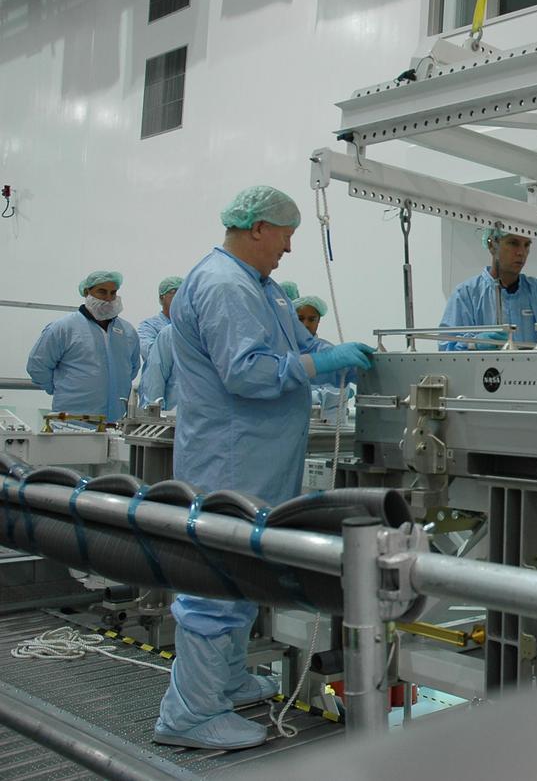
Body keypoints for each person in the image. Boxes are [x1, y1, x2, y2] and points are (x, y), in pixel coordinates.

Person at [153, 186, 375, 750]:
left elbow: (300, 349)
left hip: (262, 456)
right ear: (257, 228)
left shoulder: (263, 288)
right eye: (285, 235)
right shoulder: (225, 285)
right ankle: (190, 713)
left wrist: (340, 358)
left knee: (242, 567)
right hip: (231, 456)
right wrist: (320, 362)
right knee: (216, 577)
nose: (289, 249)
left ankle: (223, 680)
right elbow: (248, 374)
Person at [438, 211, 537, 350]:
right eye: (513, 243)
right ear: (492, 245)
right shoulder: (467, 295)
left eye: (526, 245)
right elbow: (447, 351)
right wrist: (474, 344)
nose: (521, 252)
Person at [26, 270, 140, 423]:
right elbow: (38, 366)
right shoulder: (64, 328)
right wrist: (60, 388)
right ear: (87, 292)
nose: (108, 298)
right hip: (73, 420)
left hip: (116, 422)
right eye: (102, 291)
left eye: (113, 293)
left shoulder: (127, 332)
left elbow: (131, 369)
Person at [294, 295, 352, 422]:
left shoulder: (328, 352)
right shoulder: (285, 350)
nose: (306, 324)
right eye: (300, 319)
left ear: (318, 321)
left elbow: (336, 393)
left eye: (311, 319)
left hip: (327, 429)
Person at [137, 276, 183, 358]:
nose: (178, 296)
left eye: (182, 292)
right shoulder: (149, 326)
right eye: (173, 291)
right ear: (162, 297)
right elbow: (151, 352)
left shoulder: (190, 325)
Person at [139, 323, 177, 408]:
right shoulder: (170, 333)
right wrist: (154, 411)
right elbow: (156, 376)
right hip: (174, 413)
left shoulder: (211, 333)